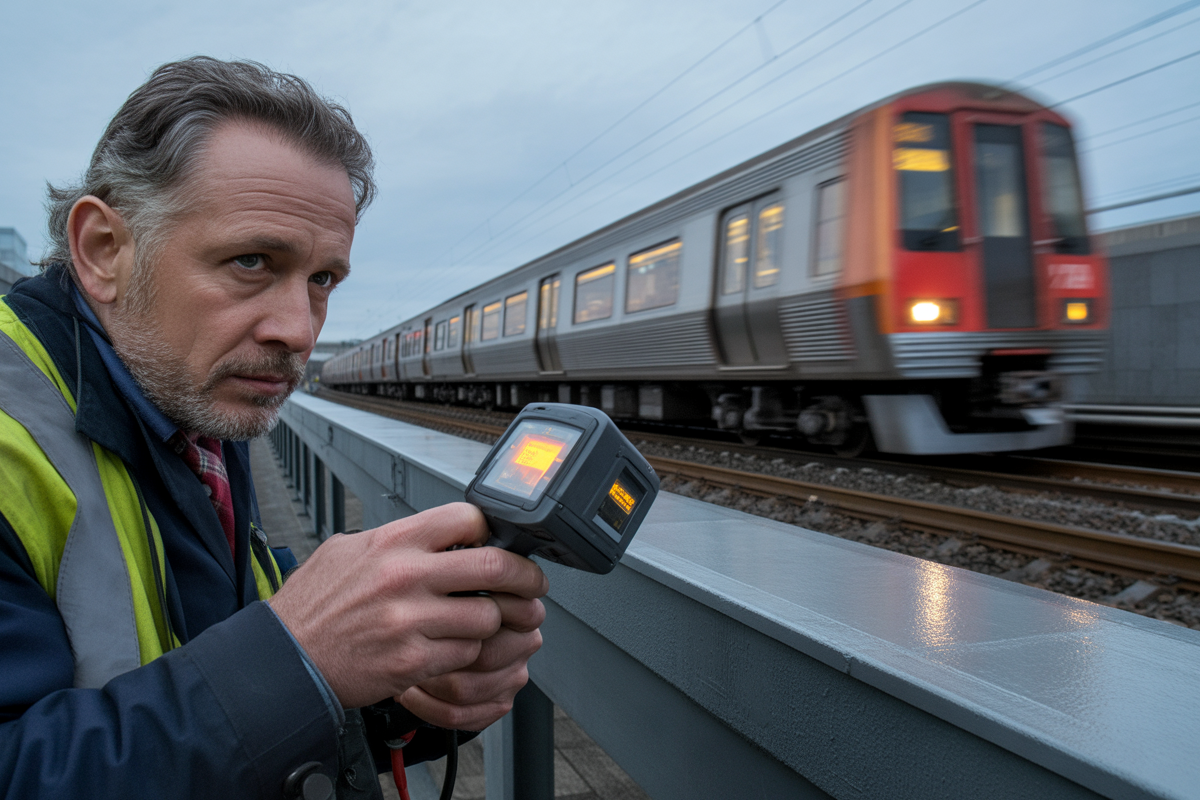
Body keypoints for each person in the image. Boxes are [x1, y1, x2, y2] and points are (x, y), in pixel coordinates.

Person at [0, 57, 548, 799]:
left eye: (323, 280)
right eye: (251, 261)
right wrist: (295, 662)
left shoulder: (188, 396)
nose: (299, 330)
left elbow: (198, 672)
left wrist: (400, 687)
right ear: (104, 251)